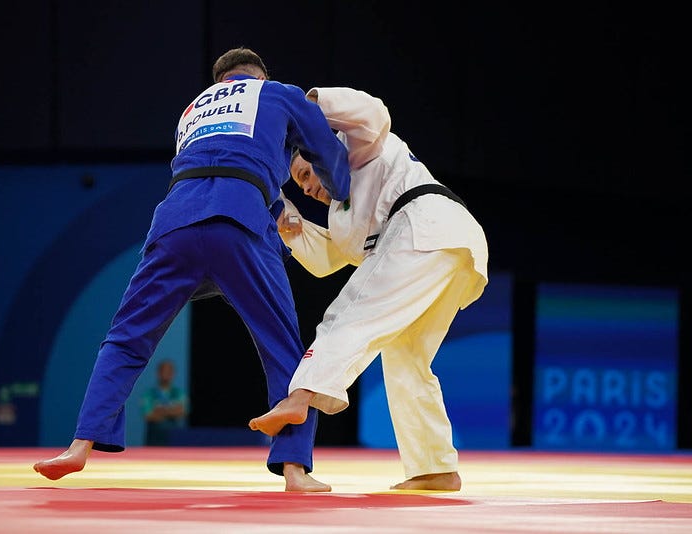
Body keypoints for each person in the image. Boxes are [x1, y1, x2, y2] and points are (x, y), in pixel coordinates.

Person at [33, 48, 351, 492]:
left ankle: (79, 445)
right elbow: (325, 150)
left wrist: (277, 205)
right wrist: (344, 197)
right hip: (238, 222)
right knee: (282, 345)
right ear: (260, 77)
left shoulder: (191, 111)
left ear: (220, 82)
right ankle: (295, 468)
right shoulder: (277, 93)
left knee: (127, 336)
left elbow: (220, 162)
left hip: (174, 225)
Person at [249, 86, 489, 491]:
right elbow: (327, 260)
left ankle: (300, 396)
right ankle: (436, 467)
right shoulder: (341, 215)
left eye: (306, 174)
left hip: (424, 223)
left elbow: (372, 110)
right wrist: (290, 224)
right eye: (299, 185)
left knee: (350, 312)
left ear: (320, 150)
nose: (306, 188)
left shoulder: (358, 148)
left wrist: (307, 108)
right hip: (452, 243)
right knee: (406, 356)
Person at [141, 359, 187, 445]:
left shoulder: (179, 393)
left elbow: (182, 412)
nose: (166, 374)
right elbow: (148, 416)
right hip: (154, 439)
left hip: (174, 439)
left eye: (169, 371)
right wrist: (172, 411)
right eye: (164, 371)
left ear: (173, 374)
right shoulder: (149, 394)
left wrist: (160, 410)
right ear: (158, 373)